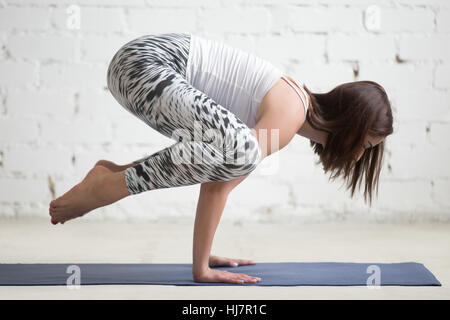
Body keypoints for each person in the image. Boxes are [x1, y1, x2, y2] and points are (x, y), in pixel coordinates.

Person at [49, 33, 393, 284]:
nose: (362, 154)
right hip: (144, 64)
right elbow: (220, 184)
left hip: (135, 70)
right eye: (365, 144)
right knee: (243, 153)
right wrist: (202, 271)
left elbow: (217, 183)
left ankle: (113, 176)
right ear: (350, 126)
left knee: (236, 153)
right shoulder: (290, 112)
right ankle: (111, 184)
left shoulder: (289, 115)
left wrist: (205, 258)